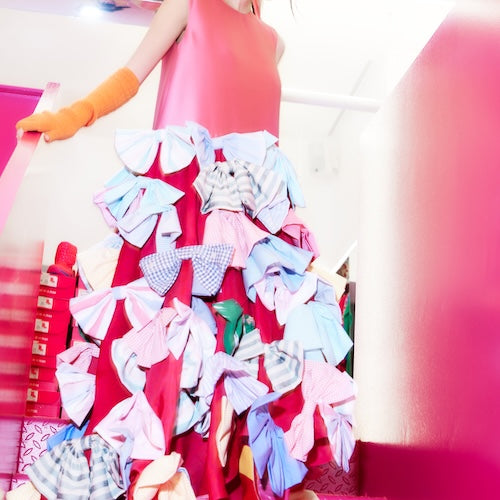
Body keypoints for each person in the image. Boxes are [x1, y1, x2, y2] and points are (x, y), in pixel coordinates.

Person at [15, 1, 356, 498]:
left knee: (242, 352)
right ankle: (157, 476)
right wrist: (75, 114)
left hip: (251, 215)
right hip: (184, 198)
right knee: (169, 343)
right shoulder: (188, 5)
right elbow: (131, 76)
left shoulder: (273, 43)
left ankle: (226, 478)